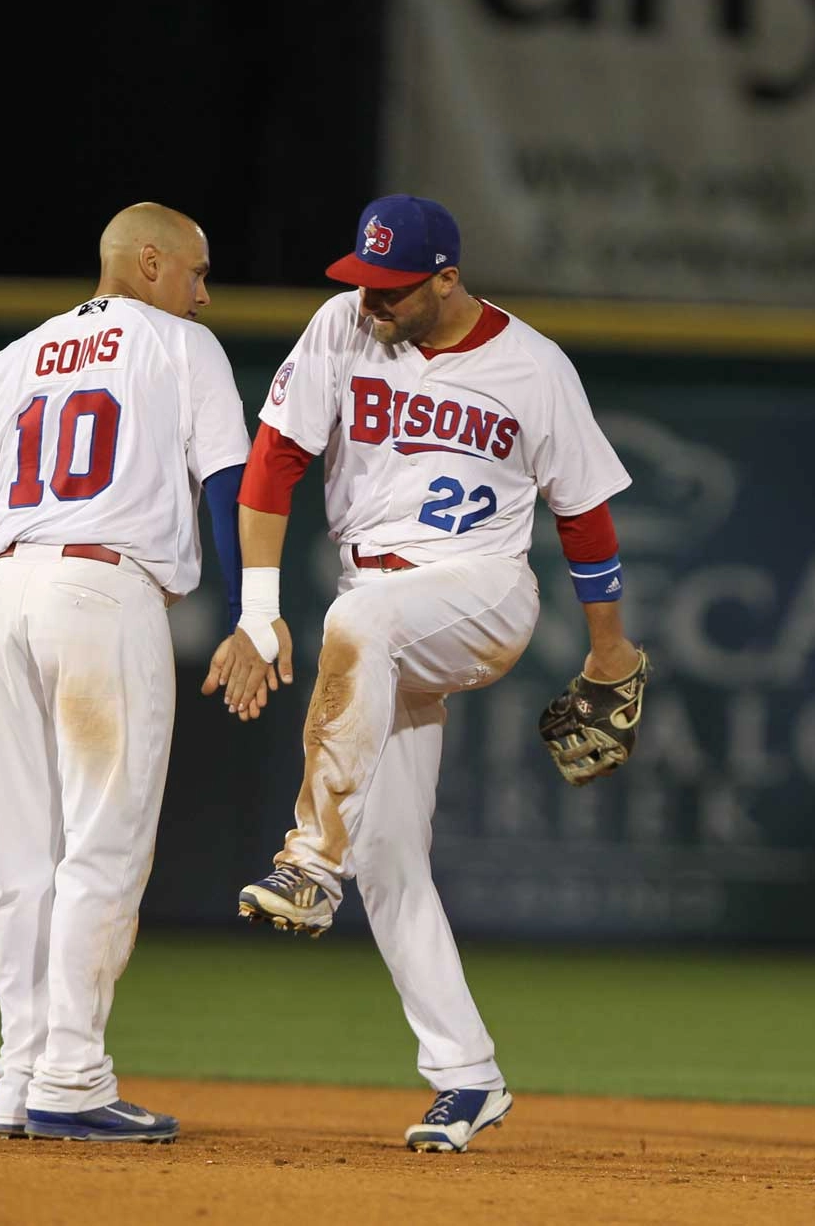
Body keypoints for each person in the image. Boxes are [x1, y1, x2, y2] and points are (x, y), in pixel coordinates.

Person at [225, 194, 641, 1152]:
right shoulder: (344, 323)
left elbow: (583, 517)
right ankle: (467, 1075)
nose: (372, 303)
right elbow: (276, 458)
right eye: (363, 283)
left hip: (483, 594)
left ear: (446, 278)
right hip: (375, 611)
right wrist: (254, 611)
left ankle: (306, 861)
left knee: (360, 621)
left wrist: (609, 647)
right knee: (393, 859)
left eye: (393, 289)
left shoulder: (533, 367)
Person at [0, 202, 254, 1142]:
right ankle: (70, 1074)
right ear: (149, 264)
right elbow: (229, 483)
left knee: (23, 856)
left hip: (10, 590)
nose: (204, 291)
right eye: (196, 271)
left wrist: (26, 540)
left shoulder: (11, 358)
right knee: (103, 845)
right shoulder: (182, 348)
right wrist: (247, 615)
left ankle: (16, 1078)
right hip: (104, 595)